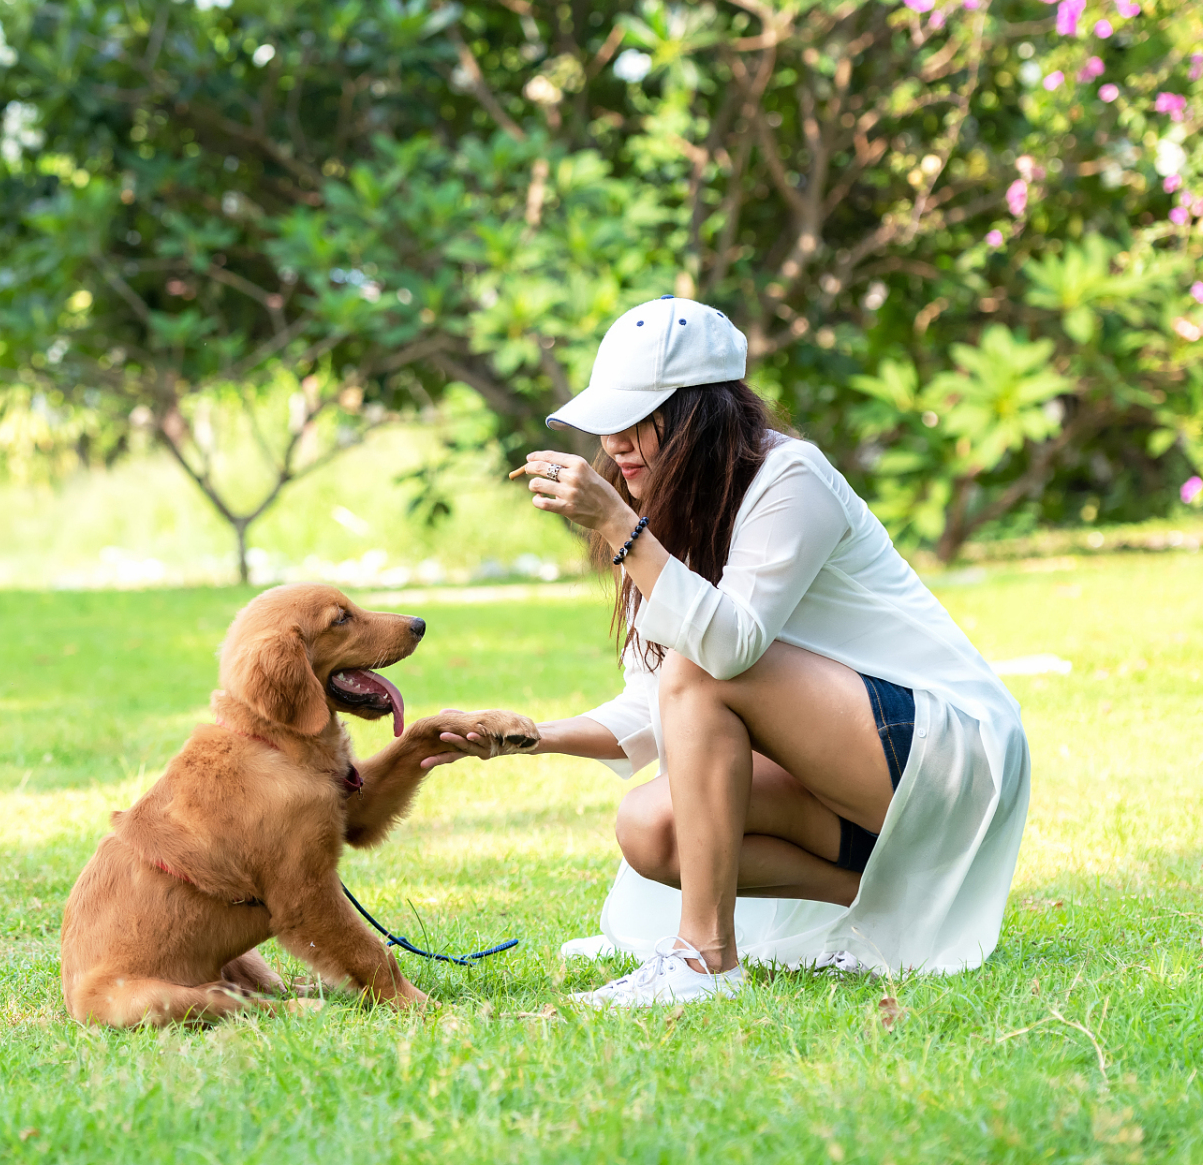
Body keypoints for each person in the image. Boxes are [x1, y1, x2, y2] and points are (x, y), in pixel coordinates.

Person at [427, 296, 1030, 1007]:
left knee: (704, 665)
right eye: (605, 423)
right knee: (648, 827)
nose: (614, 442)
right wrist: (528, 737)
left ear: (699, 414)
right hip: (850, 768)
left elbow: (727, 649)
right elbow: (657, 707)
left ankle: (704, 961)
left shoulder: (790, 477)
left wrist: (625, 531)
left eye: (634, 418)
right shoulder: (669, 520)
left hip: (944, 751)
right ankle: (878, 906)